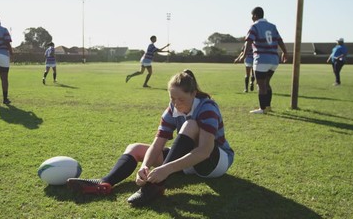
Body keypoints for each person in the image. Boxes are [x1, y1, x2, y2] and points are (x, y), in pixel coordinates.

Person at [67, 69, 234, 207]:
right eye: (172, 99)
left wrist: (166, 169)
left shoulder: (207, 107)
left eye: (181, 99)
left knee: (190, 125)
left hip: (215, 163)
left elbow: (204, 151)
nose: (176, 104)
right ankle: (104, 183)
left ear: (194, 94)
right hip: (189, 162)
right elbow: (157, 143)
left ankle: (154, 187)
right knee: (135, 148)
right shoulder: (172, 108)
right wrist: (145, 166)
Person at [237, 7, 288, 114]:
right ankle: (268, 107)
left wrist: (243, 55)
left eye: (252, 15)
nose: (251, 18)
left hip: (261, 59)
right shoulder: (272, 26)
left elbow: (249, 42)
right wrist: (285, 52)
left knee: (261, 85)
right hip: (274, 59)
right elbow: (279, 40)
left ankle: (262, 108)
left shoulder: (254, 26)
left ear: (255, 15)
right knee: (267, 83)